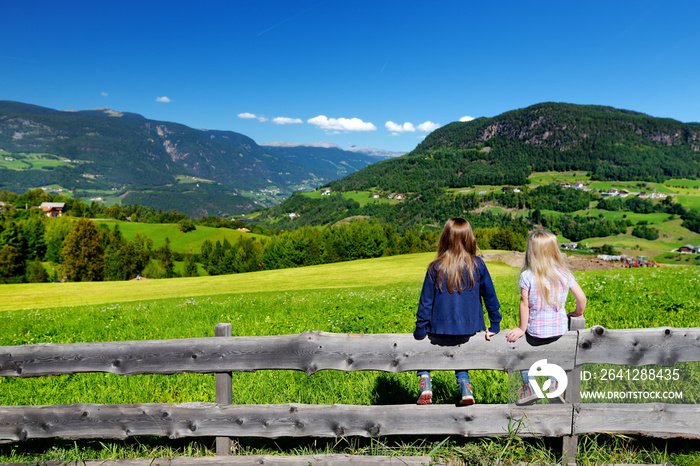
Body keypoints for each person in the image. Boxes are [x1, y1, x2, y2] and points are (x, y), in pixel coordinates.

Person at [413, 218, 501, 406]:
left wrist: (420, 329)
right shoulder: (478, 265)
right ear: (470, 238)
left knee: (422, 351)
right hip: (468, 330)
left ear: (445, 238)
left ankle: (425, 382)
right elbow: (490, 297)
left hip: (438, 329)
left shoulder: (435, 267)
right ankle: (465, 386)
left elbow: (425, 303)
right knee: (461, 352)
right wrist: (495, 324)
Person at [506, 231, 586, 405]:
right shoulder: (564, 273)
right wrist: (578, 313)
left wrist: (521, 328)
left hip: (535, 331)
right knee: (556, 356)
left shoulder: (527, 276)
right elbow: (581, 298)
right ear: (554, 250)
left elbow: (524, 303)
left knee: (524, 353)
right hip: (559, 331)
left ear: (531, 252)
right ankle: (553, 385)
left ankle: (529, 386)